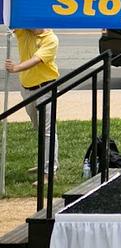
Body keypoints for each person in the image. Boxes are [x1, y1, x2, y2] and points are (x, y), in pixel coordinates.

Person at [5, 28, 60, 184]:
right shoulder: (25, 32)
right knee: (38, 127)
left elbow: (36, 60)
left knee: (48, 130)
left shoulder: (51, 39)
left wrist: (15, 68)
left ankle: (49, 173)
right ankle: (46, 162)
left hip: (46, 88)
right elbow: (13, 21)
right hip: (27, 88)